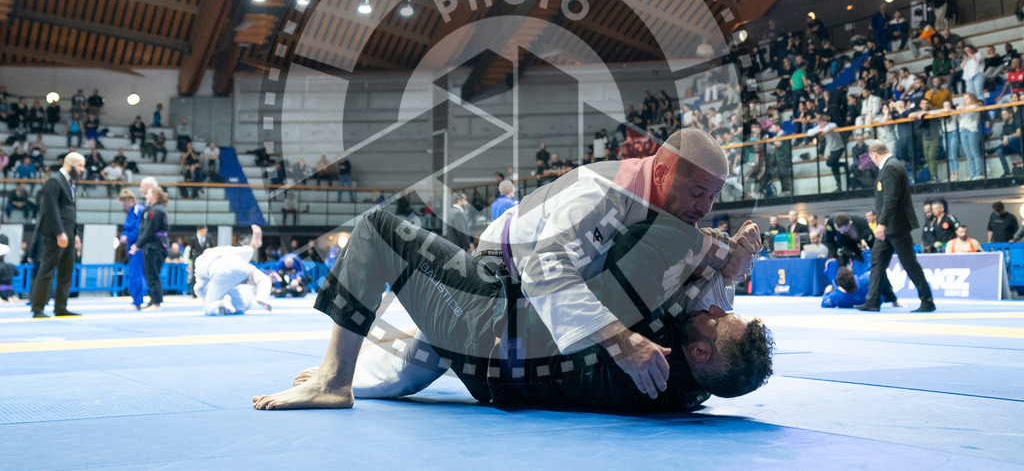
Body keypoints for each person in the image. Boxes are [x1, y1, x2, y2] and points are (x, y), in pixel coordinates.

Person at [253, 128, 770, 412]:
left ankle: (339, 377)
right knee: (408, 347)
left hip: (511, 324)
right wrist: (625, 341)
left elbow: (691, 301)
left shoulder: (670, 227)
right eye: (698, 192)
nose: (705, 207)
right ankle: (342, 375)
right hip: (499, 273)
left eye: (713, 197)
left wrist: (726, 265)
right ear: (661, 172)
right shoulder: (600, 194)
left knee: (412, 346)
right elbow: (544, 272)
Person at [855, 142, 935, 313]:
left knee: (909, 263)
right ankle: (872, 301)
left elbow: (891, 198)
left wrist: (882, 223)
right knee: (877, 261)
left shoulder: (891, 167)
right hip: (890, 227)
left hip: (895, 225)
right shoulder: (890, 166)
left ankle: (927, 300)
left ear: (874, 154)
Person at [29, 152, 85, 318]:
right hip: (55, 235)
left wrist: (74, 234)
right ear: (70, 164)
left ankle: (61, 307)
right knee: (47, 270)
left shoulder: (69, 183)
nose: (82, 169)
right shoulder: (54, 181)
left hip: (68, 234)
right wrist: (60, 233)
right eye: (80, 165)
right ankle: (37, 308)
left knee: (66, 271)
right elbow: (50, 209)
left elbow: (70, 211)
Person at [195, 225, 272, 315]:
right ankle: (262, 297)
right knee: (264, 280)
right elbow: (249, 250)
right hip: (238, 265)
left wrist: (204, 297)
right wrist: (254, 243)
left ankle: (221, 303)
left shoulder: (199, 260)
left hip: (220, 272)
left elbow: (199, 287)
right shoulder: (221, 249)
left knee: (208, 308)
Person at [133, 186, 170, 310]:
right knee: (150, 273)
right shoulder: (152, 209)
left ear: (154, 196)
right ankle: (153, 300)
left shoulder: (157, 210)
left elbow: (149, 230)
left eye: (148, 194)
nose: (146, 196)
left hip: (156, 246)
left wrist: (138, 244)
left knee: (153, 273)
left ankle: (156, 302)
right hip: (153, 245)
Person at [821, 254, 899, 309]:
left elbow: (824, 303)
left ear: (840, 286)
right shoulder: (865, 280)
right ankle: (893, 299)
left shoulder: (836, 297)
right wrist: (893, 299)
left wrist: (827, 291)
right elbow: (879, 273)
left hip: (847, 295)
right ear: (853, 278)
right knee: (874, 268)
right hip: (877, 298)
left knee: (831, 264)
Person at [117, 188, 147, 311]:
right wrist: (124, 236)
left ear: (130, 200)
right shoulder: (131, 211)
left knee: (137, 274)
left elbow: (139, 229)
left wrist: (127, 237)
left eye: (124, 204)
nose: (123, 207)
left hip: (138, 246)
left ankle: (138, 301)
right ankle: (136, 300)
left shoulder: (138, 209)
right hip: (131, 246)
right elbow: (128, 228)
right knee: (134, 274)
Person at [995, 108, 1022, 178]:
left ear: (1010, 115)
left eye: (1005, 114)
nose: (1003, 116)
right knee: (999, 150)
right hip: (1009, 146)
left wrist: (1008, 137)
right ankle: (1007, 172)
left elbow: (1018, 134)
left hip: (1019, 145)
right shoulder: (1004, 127)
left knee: (1011, 139)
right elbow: (1004, 138)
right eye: (1002, 115)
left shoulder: (1017, 122)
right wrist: (1005, 140)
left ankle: (994, 149)